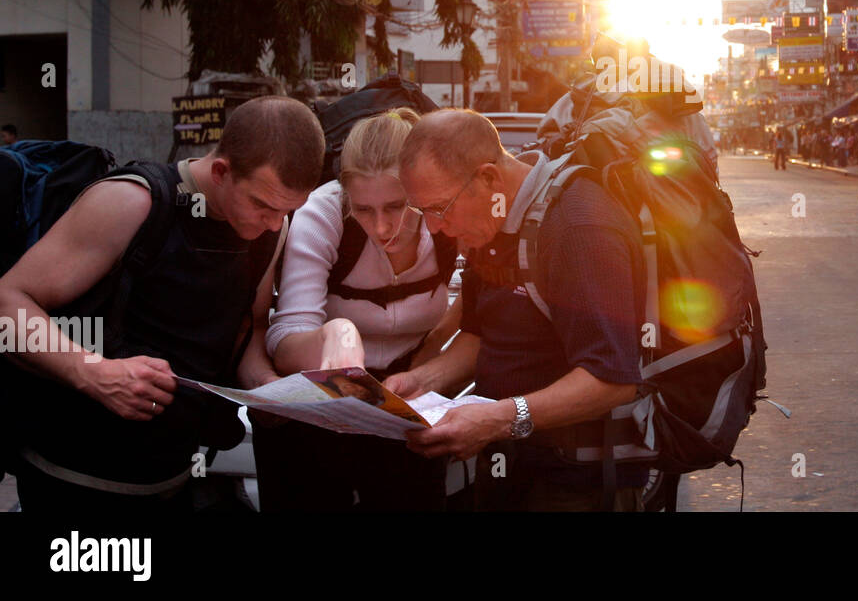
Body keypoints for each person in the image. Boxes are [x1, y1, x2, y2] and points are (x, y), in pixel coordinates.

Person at [0, 96, 324, 513]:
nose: (274, 223)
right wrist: (92, 372)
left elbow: (250, 329)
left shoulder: (270, 231)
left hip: (172, 477)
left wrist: (265, 388)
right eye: (262, 205)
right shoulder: (134, 201)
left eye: (288, 211)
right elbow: (8, 302)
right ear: (222, 171)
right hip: (72, 474)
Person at [391, 109, 645, 512]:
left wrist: (498, 419)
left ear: (489, 178)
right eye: (423, 212)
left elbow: (612, 378)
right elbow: (481, 334)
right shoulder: (489, 224)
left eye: (440, 208)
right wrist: (421, 381)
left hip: (578, 481)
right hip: (508, 466)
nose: (435, 228)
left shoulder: (577, 225)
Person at [254, 108, 461, 512]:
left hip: (408, 401)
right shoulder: (325, 212)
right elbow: (285, 336)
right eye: (364, 210)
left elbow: (481, 300)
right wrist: (338, 334)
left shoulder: (442, 214)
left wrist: (432, 349)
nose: (382, 227)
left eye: (397, 206)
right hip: (318, 403)